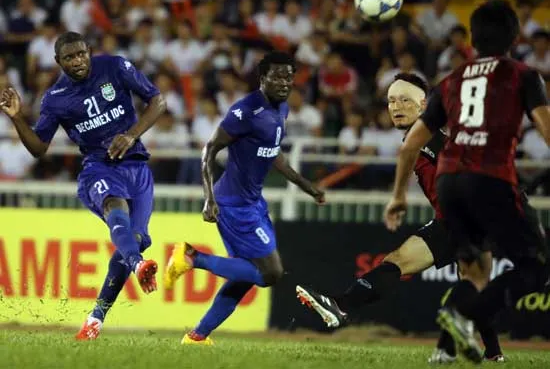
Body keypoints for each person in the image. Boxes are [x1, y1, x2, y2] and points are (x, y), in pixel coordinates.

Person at [384, 0, 550, 363]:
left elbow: (411, 143)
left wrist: (398, 195)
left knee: (473, 274)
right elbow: (546, 128)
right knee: (536, 267)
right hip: (490, 177)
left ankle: (446, 348)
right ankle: (464, 316)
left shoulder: (451, 81)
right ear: (515, 37)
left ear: (472, 39)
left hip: (450, 184)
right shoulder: (523, 75)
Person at [296, 73, 503, 363]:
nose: (396, 106)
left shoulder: (432, 138)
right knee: (461, 284)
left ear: (424, 105)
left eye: (405, 100)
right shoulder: (423, 138)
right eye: (392, 101)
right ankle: (493, 355)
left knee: (457, 281)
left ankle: (340, 305)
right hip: (453, 221)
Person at [0, 31, 166, 340]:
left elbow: (158, 100)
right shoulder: (55, 99)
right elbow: (39, 148)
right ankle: (138, 263)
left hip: (136, 166)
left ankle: (95, 320)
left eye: (80, 54)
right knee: (115, 205)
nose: (77, 61)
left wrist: (131, 135)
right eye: (69, 58)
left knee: (135, 239)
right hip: (98, 167)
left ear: (89, 51)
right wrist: (18, 118)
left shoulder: (115, 67)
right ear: (58, 62)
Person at [163, 52, 325, 345]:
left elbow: (273, 152)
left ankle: (198, 336)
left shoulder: (282, 108)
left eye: (289, 77)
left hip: (253, 203)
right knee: (271, 273)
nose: (284, 82)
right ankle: (192, 257)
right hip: (233, 205)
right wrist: (209, 198)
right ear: (262, 79)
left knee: (246, 276)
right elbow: (210, 149)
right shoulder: (245, 111)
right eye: (277, 76)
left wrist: (306, 185)